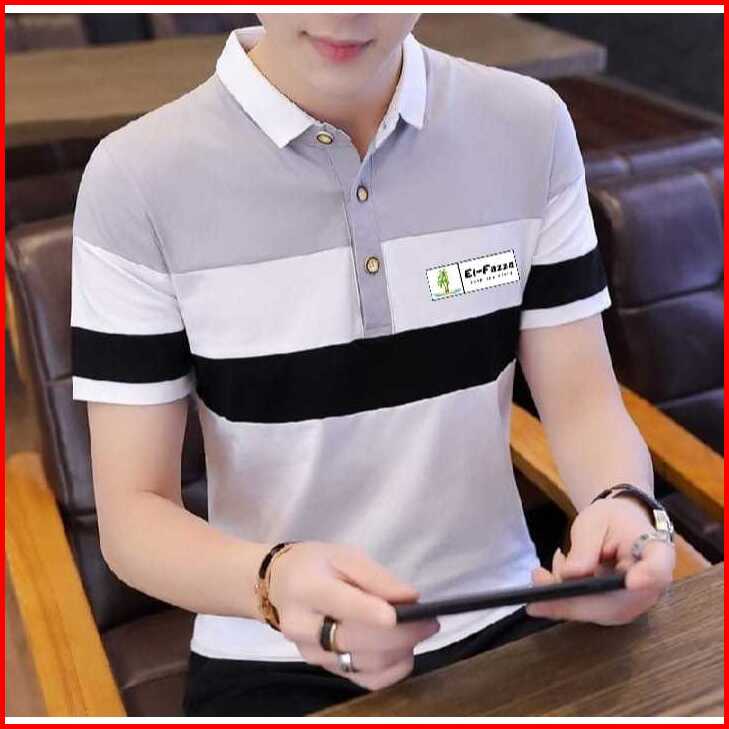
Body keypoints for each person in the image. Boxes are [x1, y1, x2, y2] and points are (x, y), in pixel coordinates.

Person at [70, 13, 676, 718]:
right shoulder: (135, 177)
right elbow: (132, 517)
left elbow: (583, 405)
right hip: (271, 649)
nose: (345, 12)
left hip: (513, 616)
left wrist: (627, 507)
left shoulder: (529, 126)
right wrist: (272, 582)